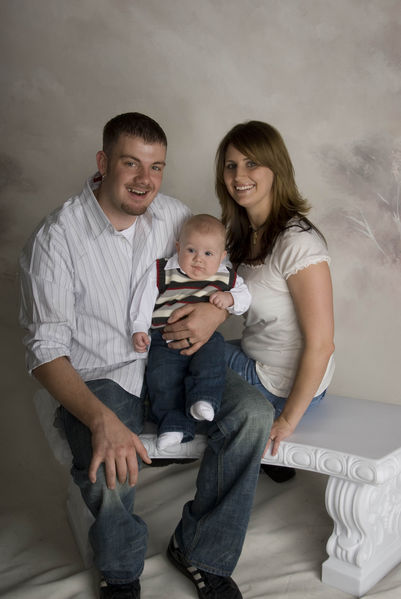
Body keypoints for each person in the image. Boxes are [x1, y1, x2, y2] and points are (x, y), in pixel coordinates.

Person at [19, 112, 274, 599]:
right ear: (103, 162)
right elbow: (45, 352)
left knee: (254, 415)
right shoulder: (55, 239)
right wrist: (100, 419)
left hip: (177, 358)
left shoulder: (175, 217)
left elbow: (216, 270)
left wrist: (214, 313)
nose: (145, 180)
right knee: (107, 449)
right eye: (131, 163)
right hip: (100, 376)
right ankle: (120, 572)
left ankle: (200, 551)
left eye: (156, 167)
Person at [215, 120, 335, 482]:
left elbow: (322, 344)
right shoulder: (244, 235)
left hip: (283, 385)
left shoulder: (298, 242)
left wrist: (286, 422)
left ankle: (181, 434)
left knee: (180, 352)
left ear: (276, 168)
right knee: (188, 344)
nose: (239, 176)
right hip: (260, 363)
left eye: (252, 163)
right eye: (231, 165)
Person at [131, 214, 251, 450]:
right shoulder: (163, 270)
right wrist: (139, 328)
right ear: (178, 248)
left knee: (212, 360)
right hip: (165, 338)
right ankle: (173, 426)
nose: (198, 259)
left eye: (208, 254)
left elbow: (245, 297)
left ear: (222, 256)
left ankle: (204, 399)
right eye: (191, 250)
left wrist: (230, 299)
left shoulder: (225, 276)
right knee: (162, 379)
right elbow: (143, 300)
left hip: (205, 340)